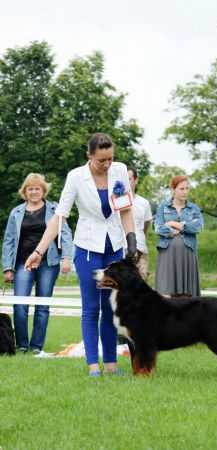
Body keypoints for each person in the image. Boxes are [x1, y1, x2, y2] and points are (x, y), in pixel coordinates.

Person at [24, 133, 136, 376]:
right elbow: (58, 217)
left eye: (110, 159)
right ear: (90, 156)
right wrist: (38, 251)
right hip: (87, 248)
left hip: (114, 246)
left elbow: (125, 210)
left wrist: (132, 241)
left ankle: (111, 365)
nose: (107, 165)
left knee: (110, 307)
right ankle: (93, 365)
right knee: (91, 308)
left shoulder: (119, 170)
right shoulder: (76, 177)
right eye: (101, 161)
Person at [2, 173, 73, 354]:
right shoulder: (16, 212)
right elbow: (9, 240)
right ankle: (22, 345)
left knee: (42, 306)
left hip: (48, 263)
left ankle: (36, 346)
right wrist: (7, 267)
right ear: (25, 191)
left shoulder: (54, 210)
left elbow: (64, 233)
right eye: (30, 188)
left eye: (37, 188)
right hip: (22, 263)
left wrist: (66, 258)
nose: (34, 192)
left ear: (43, 190)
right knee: (20, 305)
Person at [155, 175, 203, 297]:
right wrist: (171, 231)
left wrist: (173, 224)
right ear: (173, 189)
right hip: (167, 253)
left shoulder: (194, 208)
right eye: (182, 189)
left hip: (188, 254)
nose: (185, 192)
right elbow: (158, 228)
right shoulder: (163, 207)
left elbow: (198, 227)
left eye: (187, 188)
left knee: (188, 294)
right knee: (165, 291)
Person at [127, 167, 152, 280]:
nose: (126, 183)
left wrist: (141, 237)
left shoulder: (144, 203)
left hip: (140, 249)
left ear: (136, 180)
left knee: (141, 288)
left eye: (129, 179)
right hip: (121, 249)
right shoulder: (114, 201)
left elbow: (146, 224)